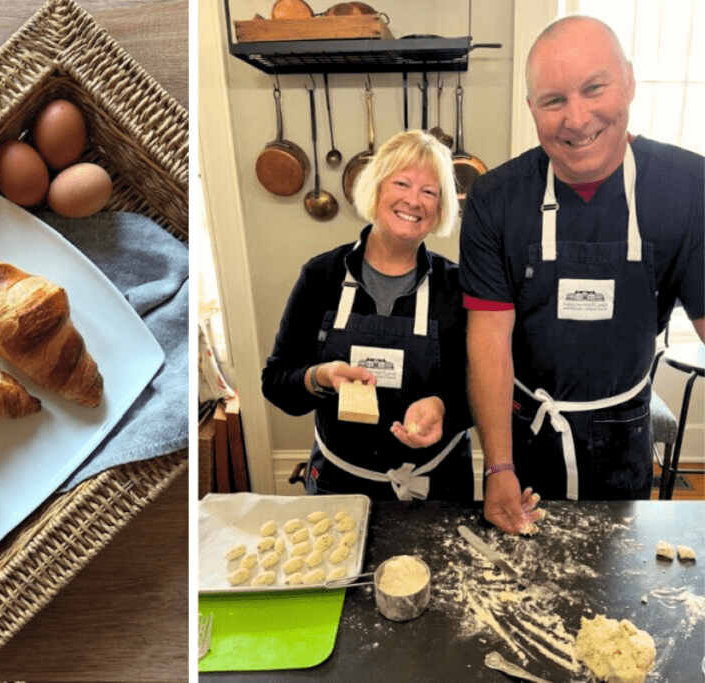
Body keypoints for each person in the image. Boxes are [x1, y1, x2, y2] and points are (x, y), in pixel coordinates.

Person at [460, 16, 705, 533]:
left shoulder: (688, 189)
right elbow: (488, 339)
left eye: (595, 88)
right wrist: (497, 465)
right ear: (532, 109)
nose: (577, 118)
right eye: (553, 100)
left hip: (626, 432)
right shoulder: (495, 200)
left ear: (629, 81)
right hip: (525, 434)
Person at [262, 130, 481, 501]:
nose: (414, 201)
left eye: (430, 192)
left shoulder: (456, 286)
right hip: (339, 485)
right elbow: (277, 382)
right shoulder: (321, 277)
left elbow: (483, 387)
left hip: (437, 483)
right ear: (376, 188)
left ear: (441, 207)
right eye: (402, 183)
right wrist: (320, 377)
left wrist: (443, 406)